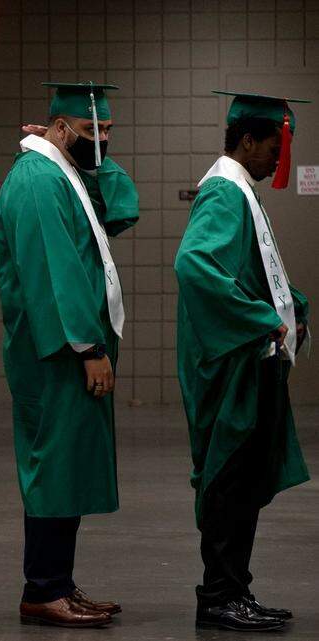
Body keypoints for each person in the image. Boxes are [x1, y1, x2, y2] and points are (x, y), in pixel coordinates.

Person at [0, 82, 138, 628]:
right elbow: (56, 271)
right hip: (54, 351)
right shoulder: (37, 179)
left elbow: (121, 209)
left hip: (67, 347)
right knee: (53, 466)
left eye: (108, 132)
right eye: (92, 130)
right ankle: (43, 589)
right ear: (59, 127)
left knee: (67, 466)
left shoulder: (64, 174)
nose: (101, 140)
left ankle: (61, 584)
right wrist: (89, 345)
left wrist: (96, 156)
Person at [174, 90, 310, 633]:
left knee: (242, 479)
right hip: (229, 367)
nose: (279, 159)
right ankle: (219, 597)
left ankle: (235, 589)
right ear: (247, 139)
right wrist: (260, 318)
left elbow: (257, 270)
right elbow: (195, 265)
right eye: (273, 147)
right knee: (228, 480)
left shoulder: (238, 190)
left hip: (247, 362)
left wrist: (291, 305)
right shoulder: (225, 195)